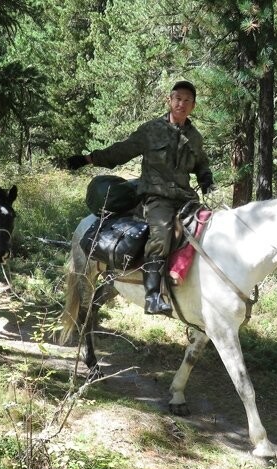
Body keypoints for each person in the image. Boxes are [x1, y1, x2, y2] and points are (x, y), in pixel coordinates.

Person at [67, 80, 215, 315]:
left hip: (186, 197)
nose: (182, 104)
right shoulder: (152, 130)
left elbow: (201, 164)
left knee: (208, 229)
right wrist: (87, 159)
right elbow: (120, 151)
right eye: (178, 98)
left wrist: (206, 178)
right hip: (156, 197)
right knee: (161, 233)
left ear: (193, 106)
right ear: (169, 100)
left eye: (187, 101)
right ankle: (153, 296)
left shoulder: (195, 137)